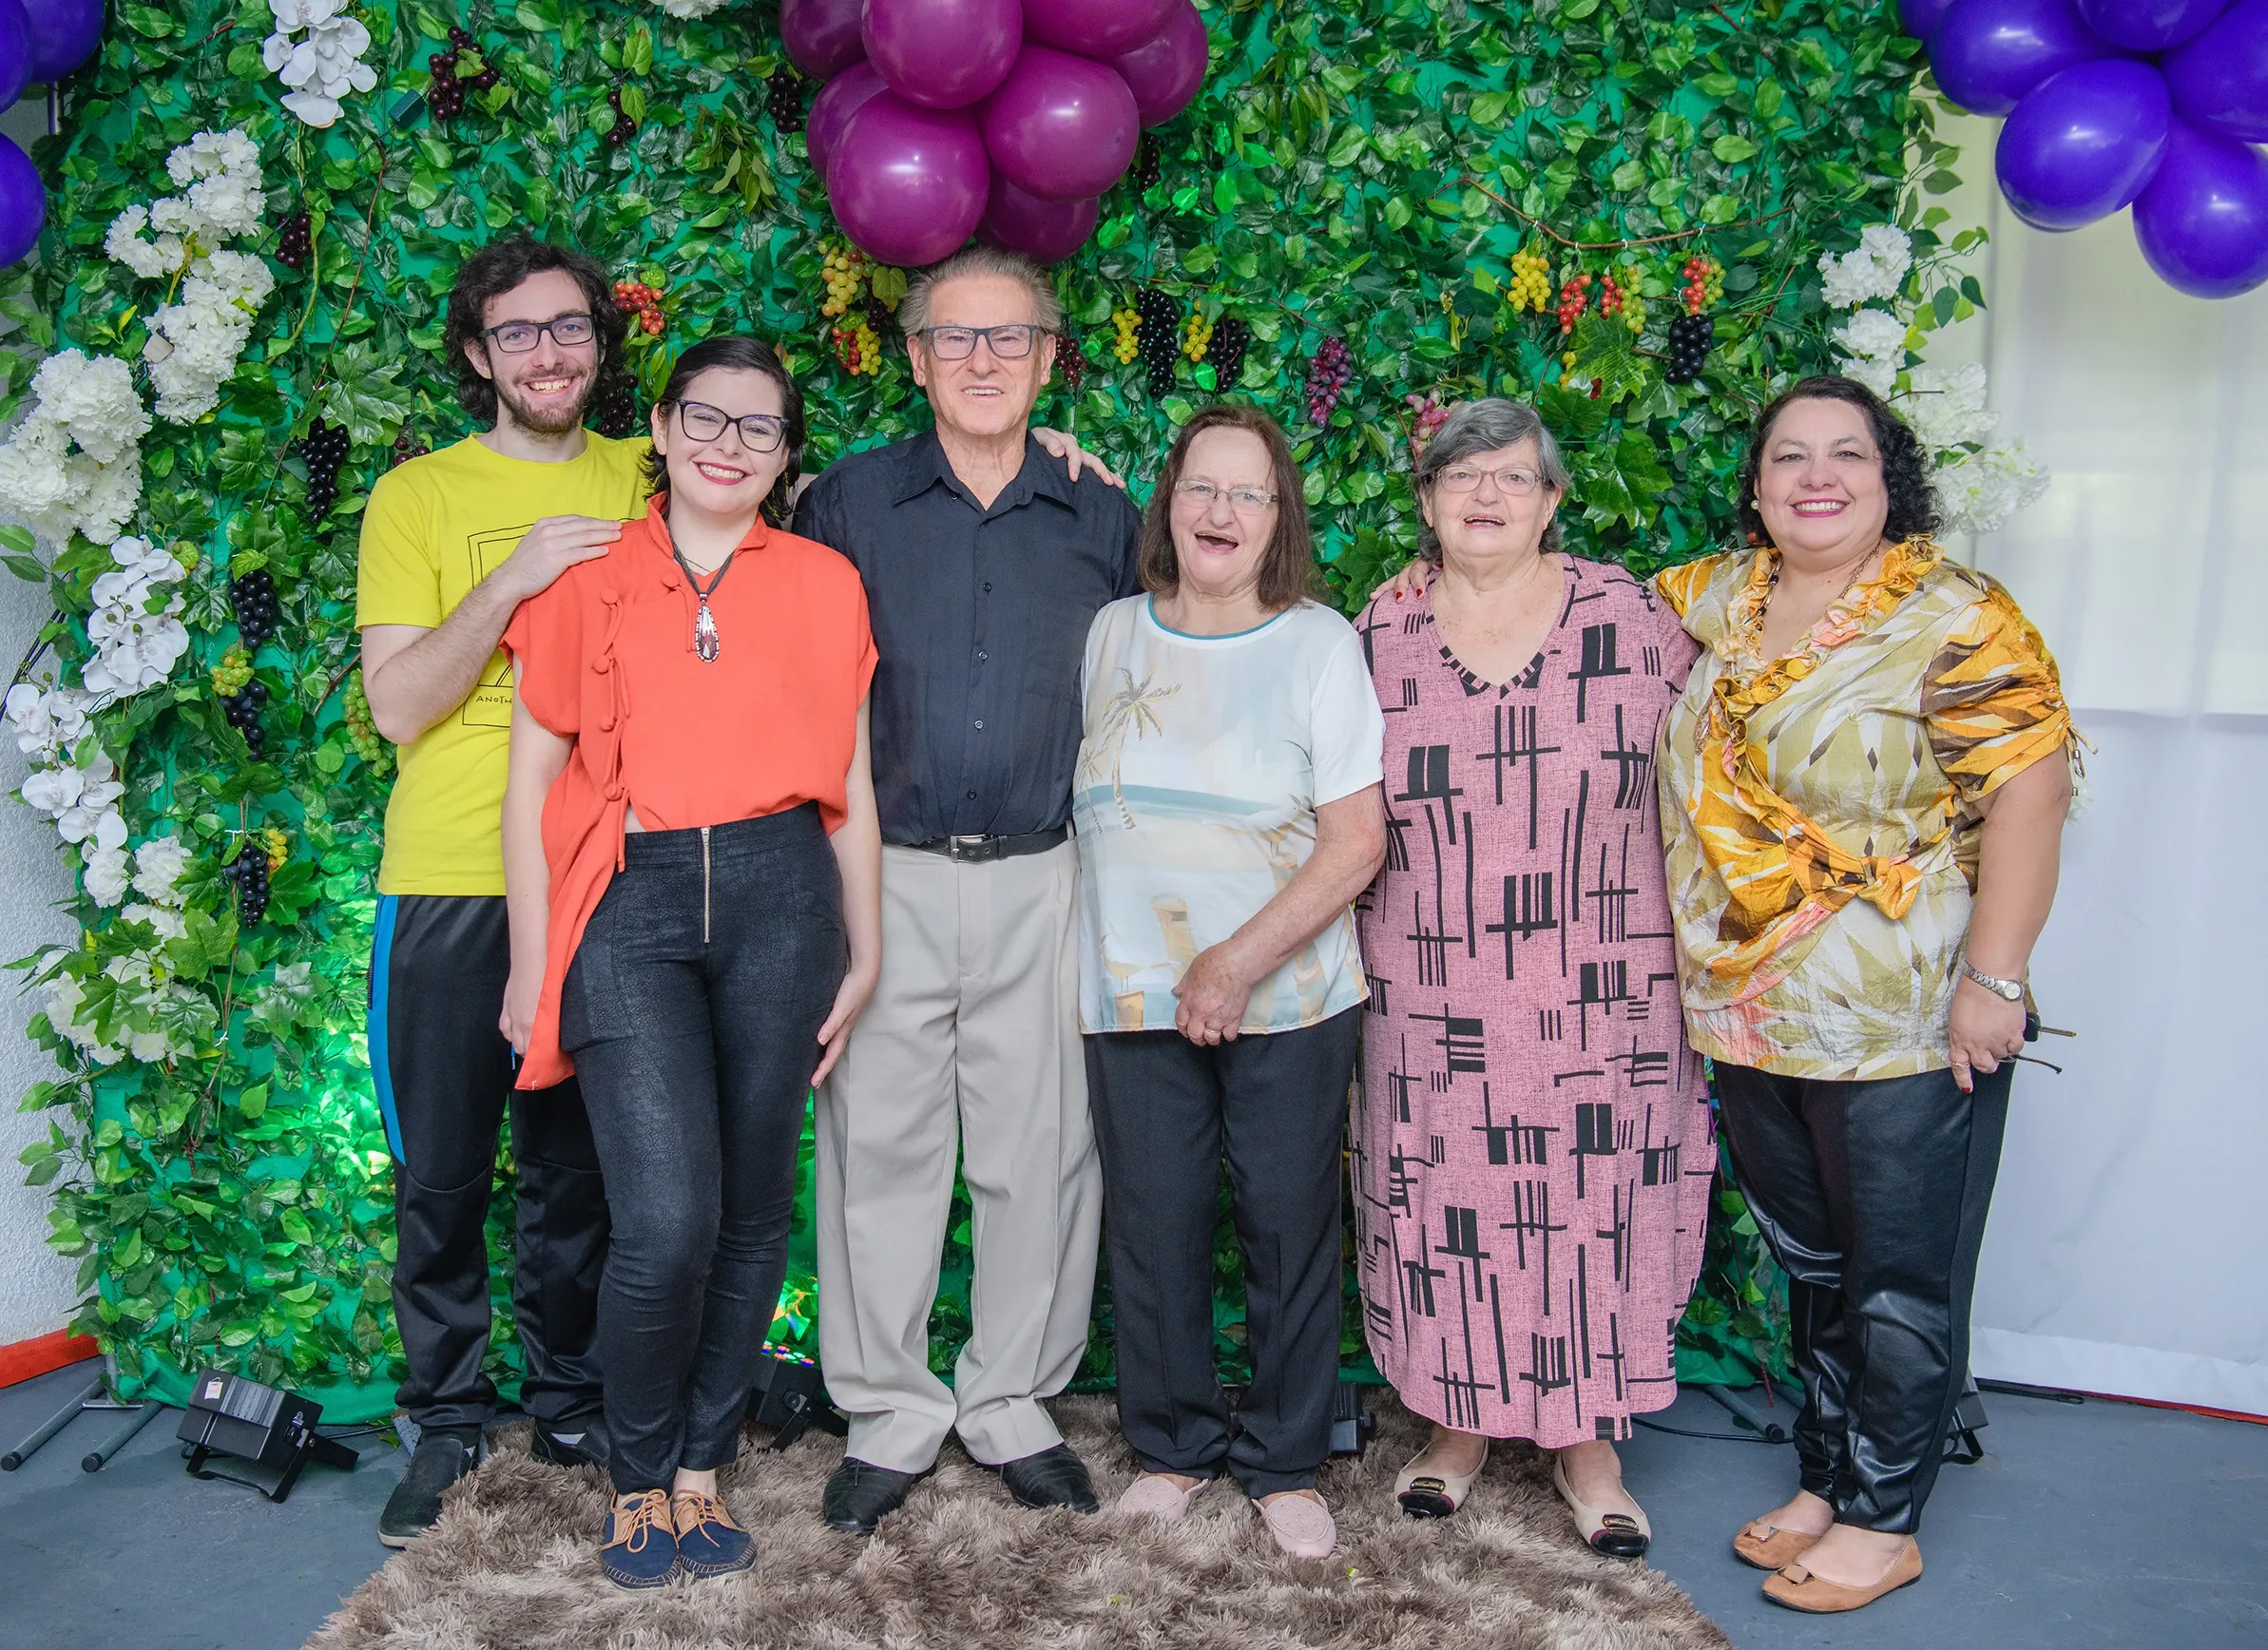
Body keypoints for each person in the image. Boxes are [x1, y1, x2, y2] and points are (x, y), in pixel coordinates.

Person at [1652, 375, 2074, 1614]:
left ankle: (1887, 1514)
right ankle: (1829, 1477)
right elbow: (1563, 605)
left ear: (1888, 479)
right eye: (1789, 456)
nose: (1815, 476)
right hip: (1753, 1010)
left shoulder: (1957, 613)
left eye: (1846, 454)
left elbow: (2029, 794)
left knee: (1900, 1277)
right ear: (1756, 485)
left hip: (1904, 1009)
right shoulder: (1719, 598)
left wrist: (1993, 980)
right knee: (1817, 1269)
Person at [498, 336, 882, 1587]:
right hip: (628, 903)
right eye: (705, 419)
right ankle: (635, 1469)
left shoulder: (826, 582)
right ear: (658, 429)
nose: (728, 444)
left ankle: (705, 1465)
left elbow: (855, 785)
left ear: (784, 455)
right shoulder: (584, 575)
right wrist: (526, 958)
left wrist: (865, 949)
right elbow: (530, 779)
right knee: (665, 1216)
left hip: (784, 896)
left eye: (758, 428)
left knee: (753, 1205)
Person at [794, 246, 1144, 1535]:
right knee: (877, 1148)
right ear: (916, 354)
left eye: (1011, 340)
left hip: (1051, 876)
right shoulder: (846, 503)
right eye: (957, 338)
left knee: (1040, 1153)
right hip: (885, 874)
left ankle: (1009, 1400)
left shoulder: (1103, 513)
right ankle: (887, 1406)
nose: (984, 361)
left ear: (1053, 358)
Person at [1359, 400, 1714, 1560]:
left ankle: (1587, 1444)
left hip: (1604, 986)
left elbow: (1739, 740)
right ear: (1425, 503)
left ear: (1553, 499)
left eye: (1513, 477)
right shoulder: (1381, 630)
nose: (1486, 496)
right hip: (1431, 986)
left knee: (1596, 1204)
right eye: (1461, 477)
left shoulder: (1635, 616)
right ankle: (1454, 1423)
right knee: (1448, 1202)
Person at [357, 236, 642, 1546]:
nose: (547, 352)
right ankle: (451, 1415)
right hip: (452, 874)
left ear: (599, 340)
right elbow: (401, 704)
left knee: (575, 1172)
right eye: (517, 333)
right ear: (477, 353)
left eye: (568, 328)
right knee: (444, 1170)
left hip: (604, 878)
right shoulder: (414, 499)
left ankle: (571, 1398)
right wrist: (515, 573)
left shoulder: (650, 475)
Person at [1076, 405, 1387, 1559]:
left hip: (1289, 991)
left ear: (1277, 520)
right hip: (1129, 983)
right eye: (1201, 488)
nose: (1220, 512)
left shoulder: (1318, 643)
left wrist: (1235, 958)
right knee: (1152, 1222)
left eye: (1247, 495)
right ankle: (1170, 1445)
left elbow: (1356, 842)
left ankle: (1283, 1456)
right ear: (1167, 504)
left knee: (1285, 1217)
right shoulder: (1108, 632)